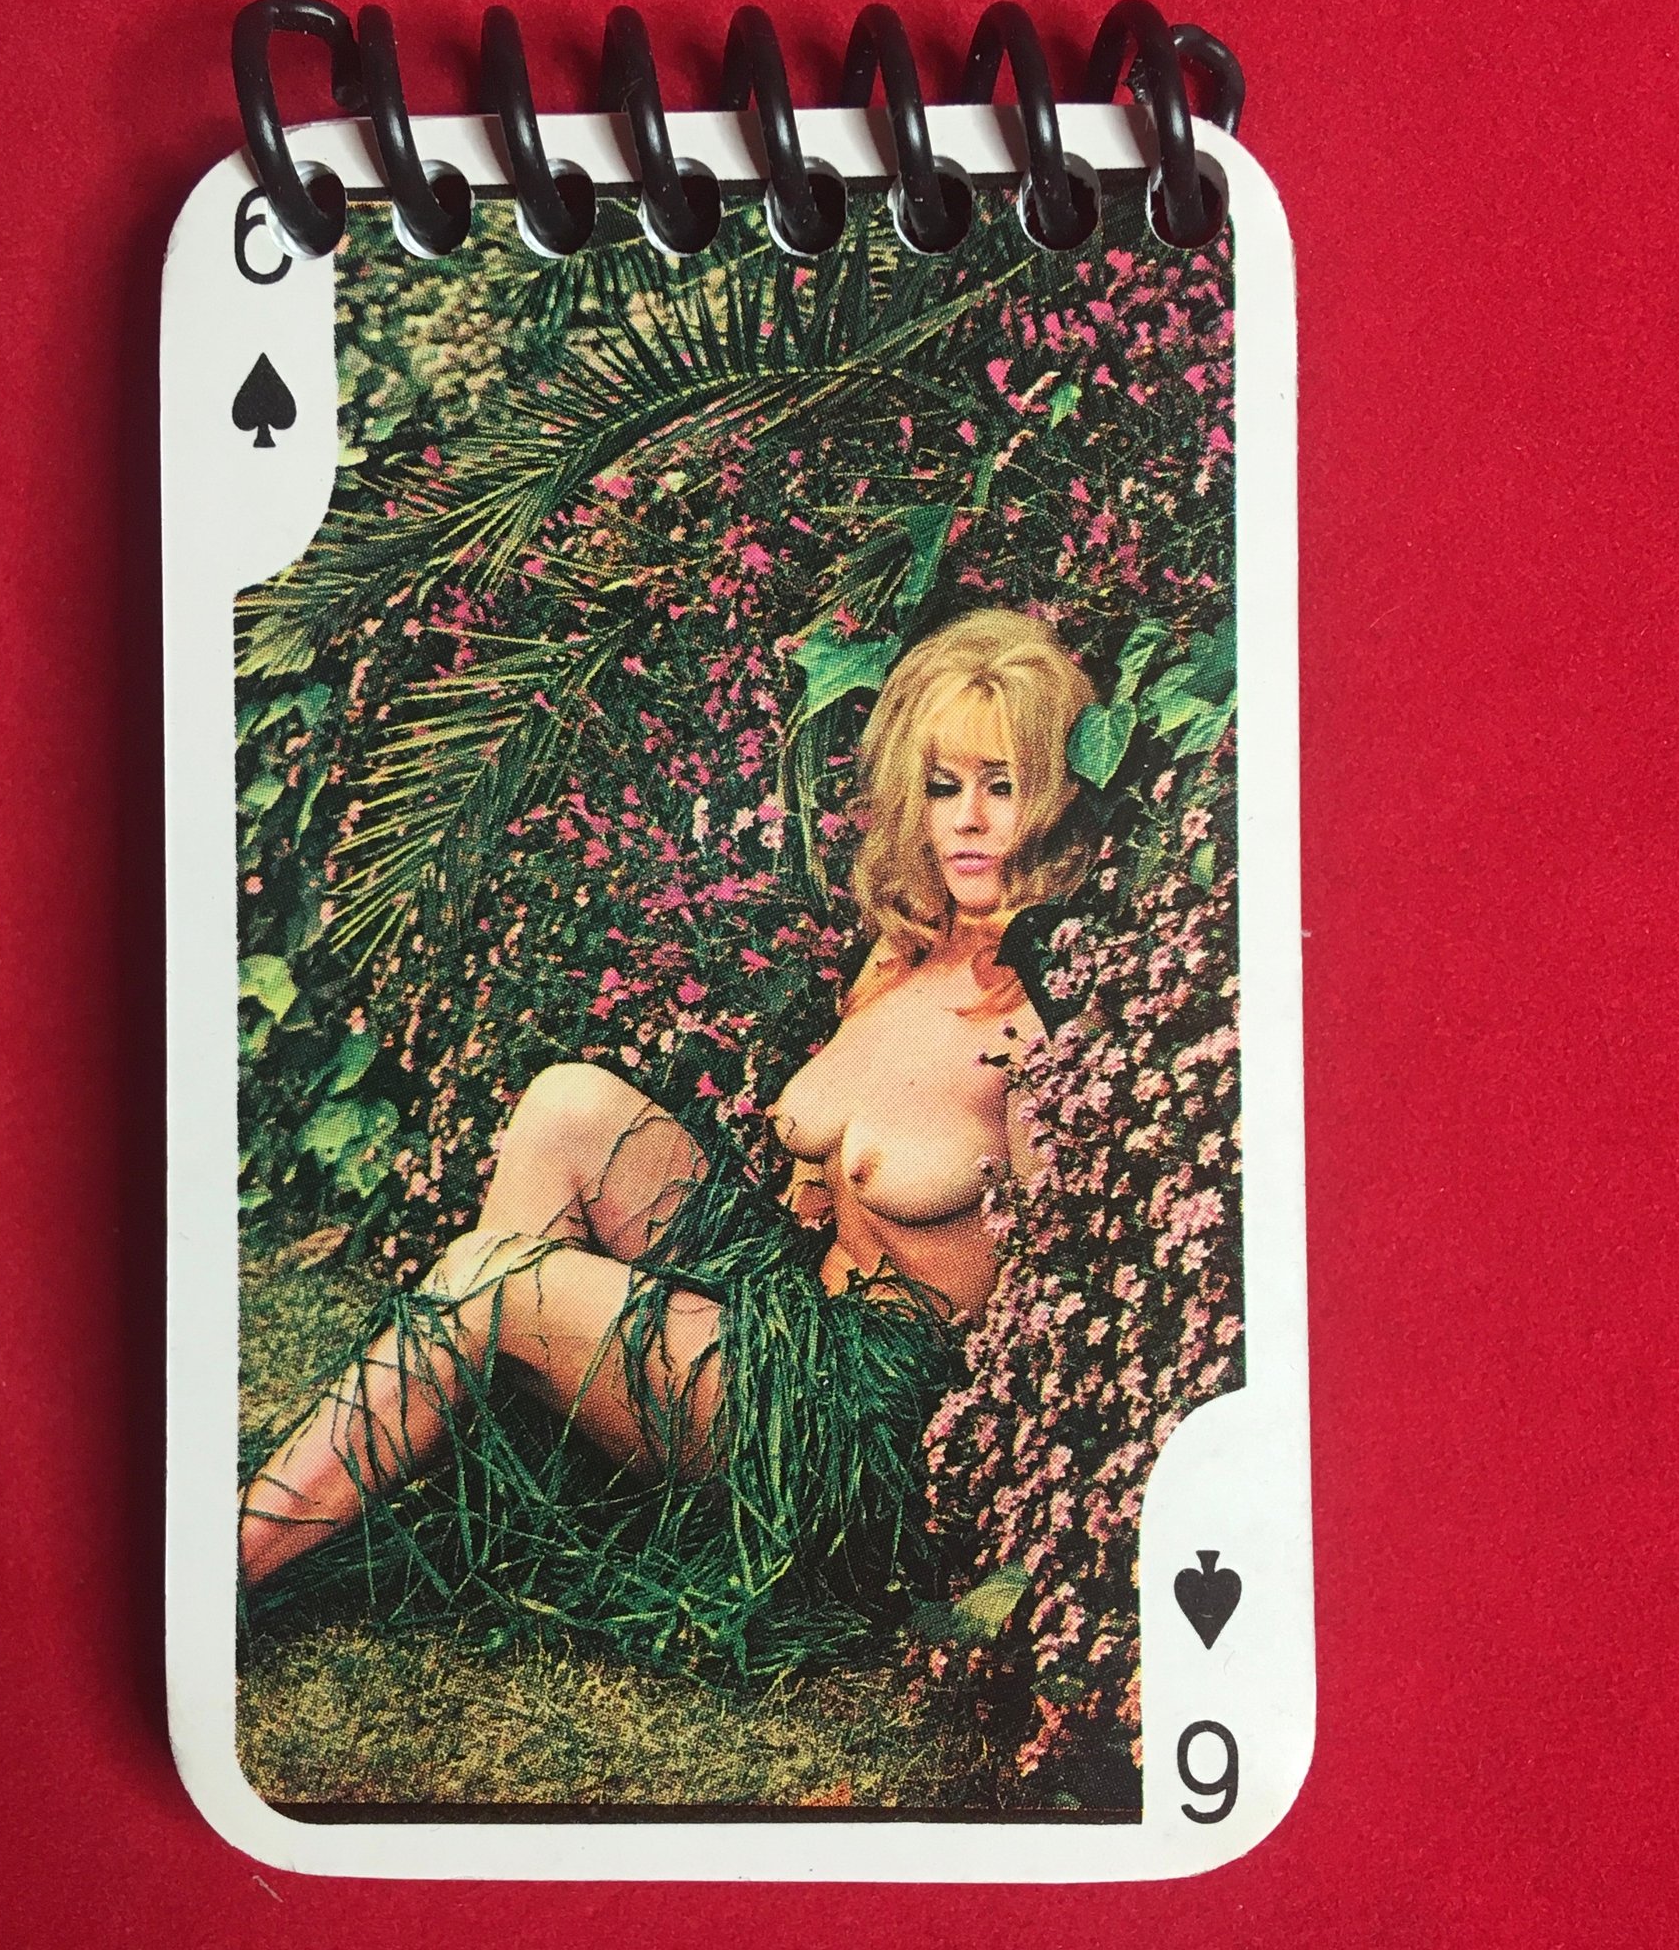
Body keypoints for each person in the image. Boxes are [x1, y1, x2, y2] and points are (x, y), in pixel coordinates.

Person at [237, 606, 1098, 1676]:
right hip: (790, 1310)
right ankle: (481, 1462)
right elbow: (818, 1190)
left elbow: (1061, 1306)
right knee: (566, 1103)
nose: (966, 819)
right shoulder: (902, 957)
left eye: (1001, 785)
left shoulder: (1046, 1019)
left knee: (490, 1281)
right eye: (941, 785)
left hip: (851, 1423)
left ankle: (227, 1571)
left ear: (1054, 797)